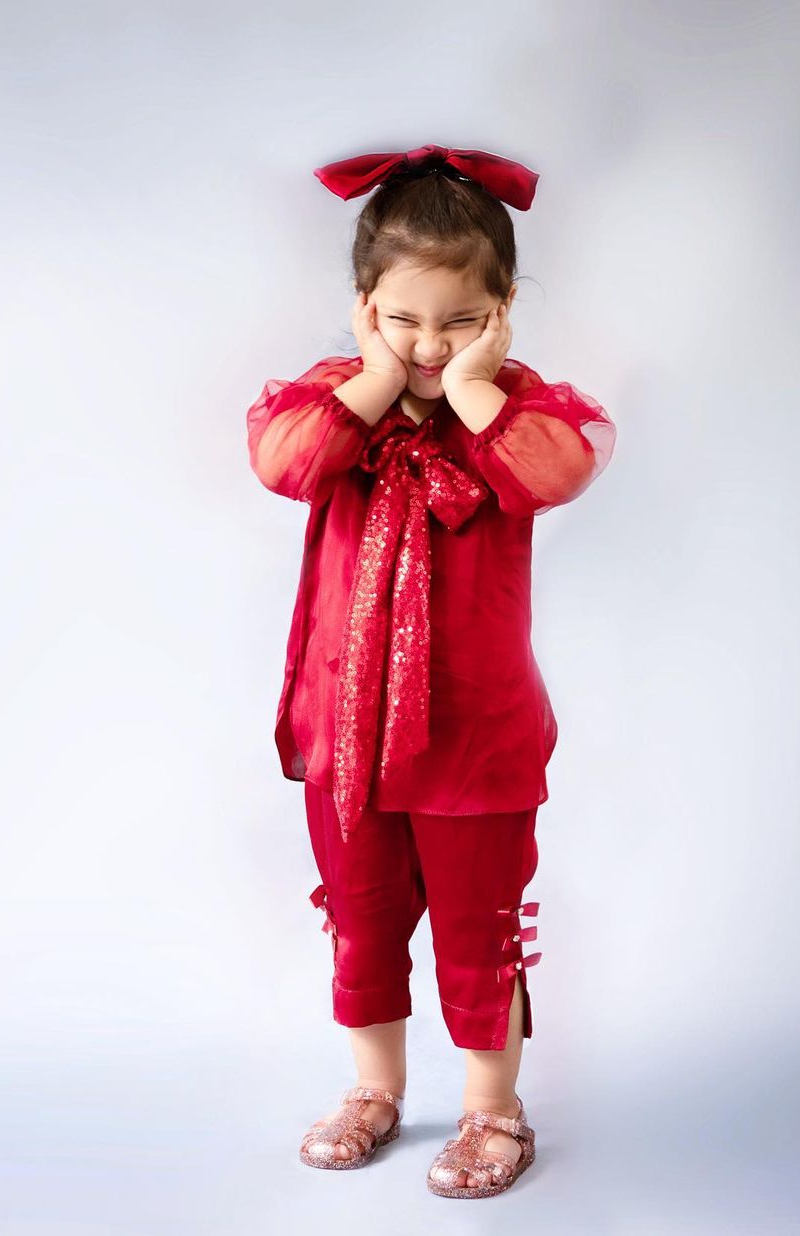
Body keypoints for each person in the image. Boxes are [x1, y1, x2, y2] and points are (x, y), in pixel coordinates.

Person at [245, 144, 617, 1198]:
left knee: (476, 928)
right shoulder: (334, 406)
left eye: (459, 321)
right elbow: (282, 466)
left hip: (475, 736)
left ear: (503, 308)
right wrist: (373, 381)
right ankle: (374, 1089)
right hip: (345, 731)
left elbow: (559, 469)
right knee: (361, 922)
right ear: (364, 306)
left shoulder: (518, 411)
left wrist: (472, 387)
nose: (427, 344)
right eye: (403, 319)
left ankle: (493, 1108)